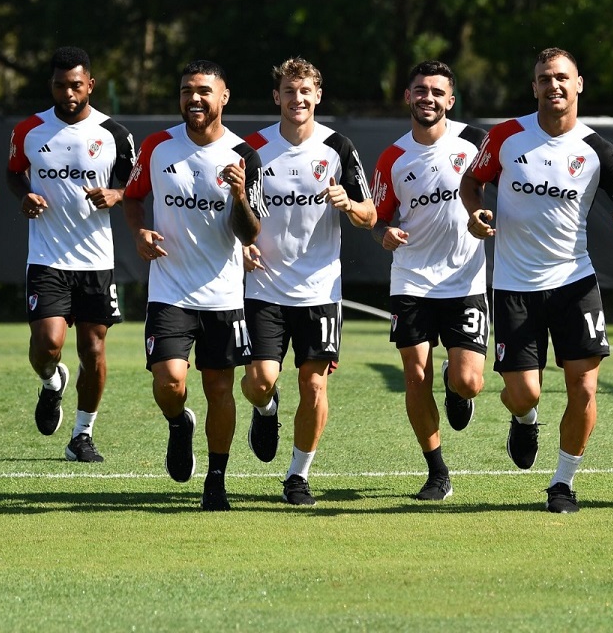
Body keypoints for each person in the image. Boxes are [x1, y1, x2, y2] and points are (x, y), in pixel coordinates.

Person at [461, 47, 613, 514]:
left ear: (579, 84)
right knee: (523, 391)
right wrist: (475, 214)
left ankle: (563, 484)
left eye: (562, 77)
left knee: (584, 389)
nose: (554, 85)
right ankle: (525, 418)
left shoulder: (599, 151)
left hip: (575, 283)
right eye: (545, 78)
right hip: (514, 286)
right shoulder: (507, 137)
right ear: (534, 88)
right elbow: (472, 182)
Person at [122, 60, 264, 511]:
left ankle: (216, 480)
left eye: (204, 91)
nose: (194, 98)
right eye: (186, 91)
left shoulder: (244, 154)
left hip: (223, 293)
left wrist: (240, 194)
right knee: (169, 382)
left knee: (221, 389)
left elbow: (250, 233)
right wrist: (139, 232)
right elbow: (133, 197)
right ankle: (179, 424)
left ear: (224, 97)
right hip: (169, 290)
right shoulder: (157, 145)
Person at [241, 57, 377, 506]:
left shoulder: (337, 148)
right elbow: (235, 214)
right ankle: (266, 410)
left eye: (305, 92)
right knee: (259, 380)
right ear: (276, 96)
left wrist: (348, 204)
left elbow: (370, 214)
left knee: (314, 384)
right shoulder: (253, 149)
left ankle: (297, 476)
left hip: (319, 290)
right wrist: (242, 245)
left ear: (317, 96)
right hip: (262, 286)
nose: (297, 99)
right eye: (288, 91)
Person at [7, 46, 135, 463]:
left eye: (76, 85)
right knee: (47, 344)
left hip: (96, 260)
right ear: (52, 86)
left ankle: (82, 435)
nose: (69, 93)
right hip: (46, 258)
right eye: (61, 85)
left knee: (93, 351)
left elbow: (133, 185)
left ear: (90, 85)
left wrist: (115, 194)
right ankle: (50, 382)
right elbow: (13, 173)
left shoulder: (113, 134)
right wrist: (24, 195)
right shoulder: (29, 130)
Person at [371, 61, 487, 501]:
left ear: (450, 100)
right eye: (421, 90)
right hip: (411, 279)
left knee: (469, 380)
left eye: (438, 92)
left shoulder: (476, 143)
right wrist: (385, 233)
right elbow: (378, 219)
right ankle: (437, 471)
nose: (428, 98)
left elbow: (504, 187)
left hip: (464, 279)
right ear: (408, 96)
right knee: (414, 377)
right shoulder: (393, 157)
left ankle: (457, 385)